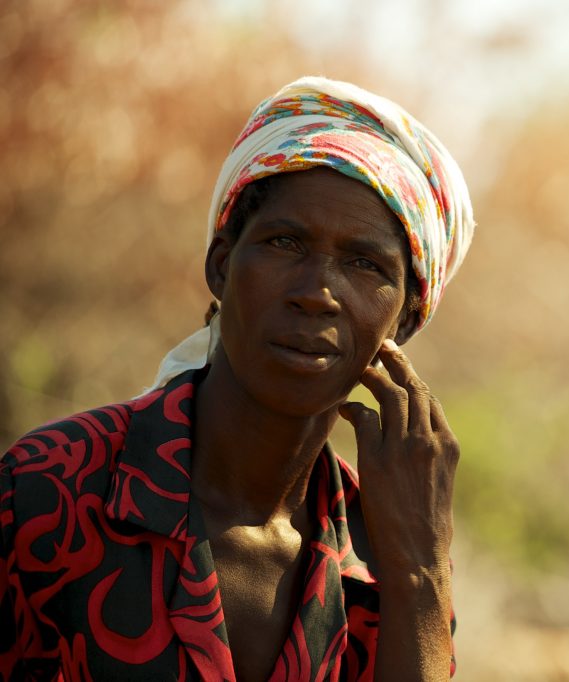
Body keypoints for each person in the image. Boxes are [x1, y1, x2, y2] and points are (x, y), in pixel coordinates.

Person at [0, 77, 474, 681]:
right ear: (221, 266)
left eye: (364, 263)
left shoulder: (387, 558)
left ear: (404, 320)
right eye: (284, 242)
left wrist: (421, 574)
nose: (318, 293)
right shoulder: (51, 490)